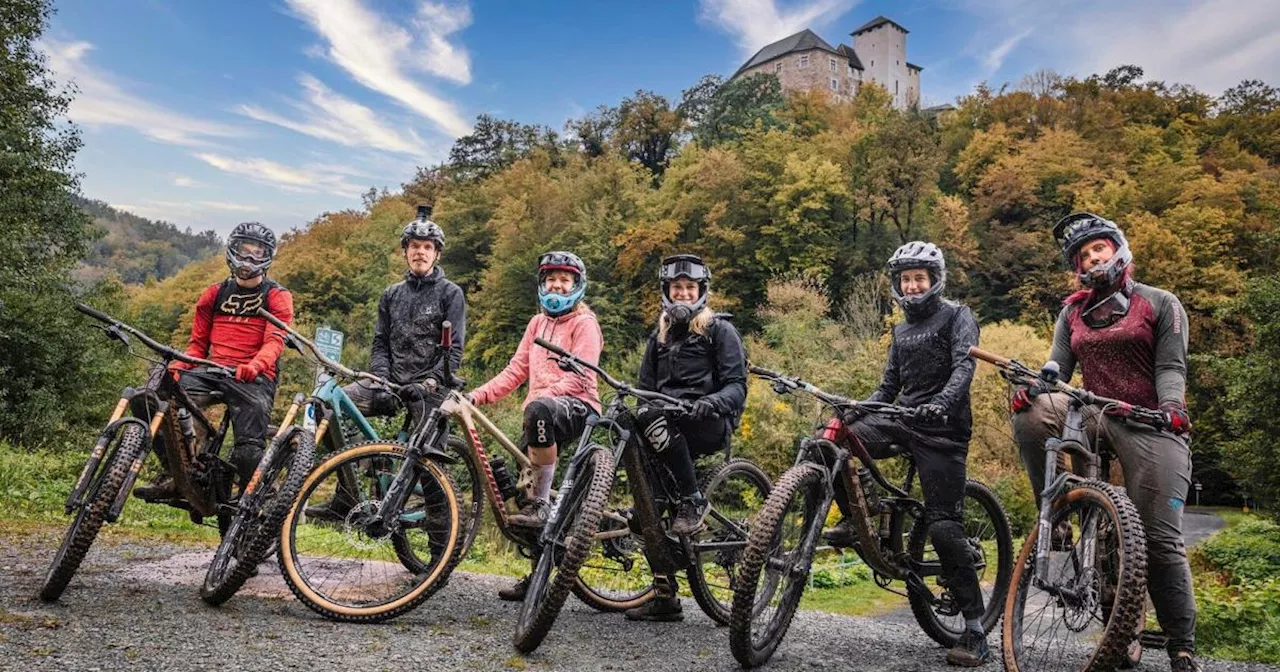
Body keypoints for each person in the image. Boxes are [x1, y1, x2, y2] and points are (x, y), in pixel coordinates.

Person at [1011, 212, 1199, 672]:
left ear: (1119, 250)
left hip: (1150, 420)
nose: (1093, 257)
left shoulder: (1159, 303)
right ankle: (1056, 515)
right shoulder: (1072, 311)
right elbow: (1058, 368)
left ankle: (1181, 643)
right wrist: (1034, 387)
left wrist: (1172, 407)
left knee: (1157, 539)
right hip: (1093, 411)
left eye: (1100, 248)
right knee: (1033, 414)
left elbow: (1170, 368)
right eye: (1084, 254)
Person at [821, 241, 989, 667]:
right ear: (898, 284)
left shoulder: (958, 316)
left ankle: (975, 630)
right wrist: (858, 407)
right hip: (902, 417)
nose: (912, 286)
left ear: (935, 280)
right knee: (835, 439)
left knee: (943, 527)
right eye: (906, 279)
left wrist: (943, 404)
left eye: (920, 278)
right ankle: (860, 514)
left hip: (943, 429)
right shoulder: (900, 331)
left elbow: (963, 368)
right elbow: (888, 387)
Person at [306, 205, 466, 520]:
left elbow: (455, 350)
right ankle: (347, 491)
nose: (420, 252)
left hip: (430, 387)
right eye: (414, 247)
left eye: (427, 247)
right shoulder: (391, 294)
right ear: (405, 252)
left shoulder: (451, 294)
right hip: (389, 380)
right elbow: (380, 342)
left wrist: (429, 382)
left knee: (431, 467)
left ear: (437, 255)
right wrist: (379, 378)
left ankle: (439, 547)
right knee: (327, 408)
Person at [466, 251, 603, 601]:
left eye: (565, 280)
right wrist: (478, 396)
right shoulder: (536, 324)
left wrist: (540, 398)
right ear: (542, 284)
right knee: (521, 496)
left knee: (539, 417)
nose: (557, 285)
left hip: (578, 406)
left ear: (577, 286)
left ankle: (543, 503)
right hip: (540, 412)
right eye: (551, 280)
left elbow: (583, 376)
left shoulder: (584, 323)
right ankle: (537, 575)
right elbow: (515, 371)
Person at [623, 254, 747, 622]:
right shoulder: (658, 335)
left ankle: (693, 501)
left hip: (706, 422)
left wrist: (708, 404)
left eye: (688, 288)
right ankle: (665, 597)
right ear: (666, 292)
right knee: (647, 501)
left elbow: (737, 387)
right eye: (676, 288)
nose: (682, 294)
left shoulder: (719, 331)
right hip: (665, 423)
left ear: (701, 292)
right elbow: (646, 389)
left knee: (651, 419)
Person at [134, 222, 294, 498]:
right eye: (244, 251)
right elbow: (197, 345)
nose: (249, 260)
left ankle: (254, 500)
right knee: (156, 401)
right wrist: (179, 367)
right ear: (232, 250)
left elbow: (274, 342)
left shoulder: (277, 296)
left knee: (247, 451)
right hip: (212, 369)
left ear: (268, 257)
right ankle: (178, 475)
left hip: (254, 375)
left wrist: (254, 365)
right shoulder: (214, 293)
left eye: (258, 253)